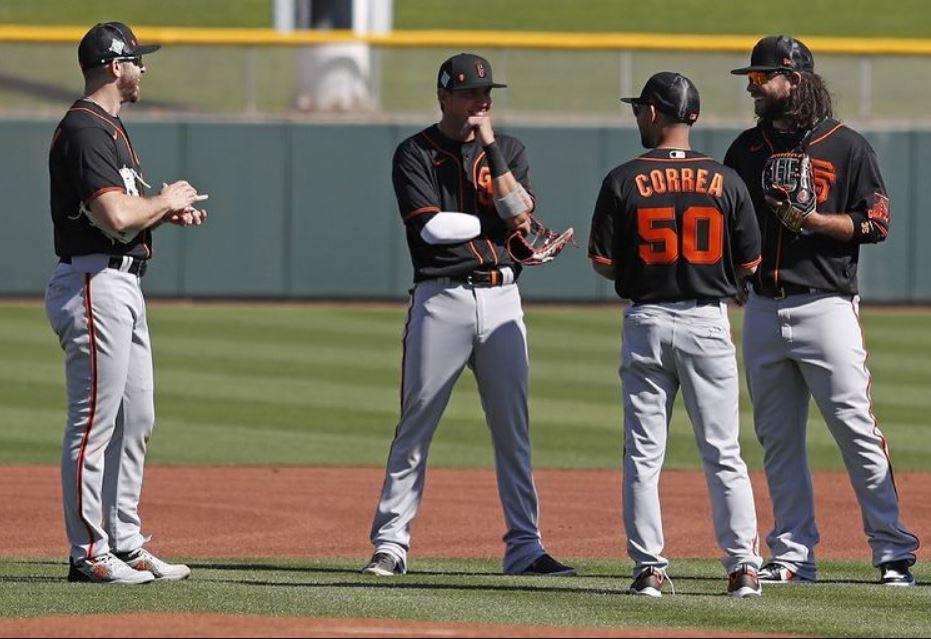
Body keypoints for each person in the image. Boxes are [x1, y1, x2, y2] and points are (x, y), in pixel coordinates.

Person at [362, 53, 576, 578]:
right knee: (417, 422)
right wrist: (494, 221)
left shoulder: (508, 150)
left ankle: (525, 547)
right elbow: (431, 229)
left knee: (513, 430)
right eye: (469, 93)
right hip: (443, 299)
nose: (481, 101)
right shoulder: (414, 152)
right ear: (444, 97)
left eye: (487, 93)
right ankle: (391, 544)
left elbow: (520, 216)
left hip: (503, 296)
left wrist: (489, 149)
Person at [725, 35, 919, 586]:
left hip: (826, 304)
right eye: (752, 76)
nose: (752, 86)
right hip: (763, 306)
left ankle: (892, 549)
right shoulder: (746, 149)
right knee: (778, 437)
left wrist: (813, 222)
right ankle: (792, 551)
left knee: (855, 428)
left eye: (762, 77)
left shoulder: (847, 146)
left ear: (796, 79)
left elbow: (876, 223)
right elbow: (733, 228)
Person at [589, 72, 764, 598]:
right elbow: (751, 261)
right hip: (707, 321)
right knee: (723, 450)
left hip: (646, 321)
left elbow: (602, 262)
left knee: (644, 454)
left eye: (640, 108)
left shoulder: (623, 178)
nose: (637, 116)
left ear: (655, 113)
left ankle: (649, 568)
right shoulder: (726, 180)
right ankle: (743, 566)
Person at [46, 22, 208, 584]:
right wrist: (164, 198)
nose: (143, 69)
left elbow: (122, 213)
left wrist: (164, 211)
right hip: (94, 283)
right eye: (138, 60)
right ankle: (87, 552)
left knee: (137, 418)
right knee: (93, 425)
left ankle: (124, 540)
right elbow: (114, 217)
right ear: (116, 66)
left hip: (121, 282)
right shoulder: (86, 129)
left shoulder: (110, 128)